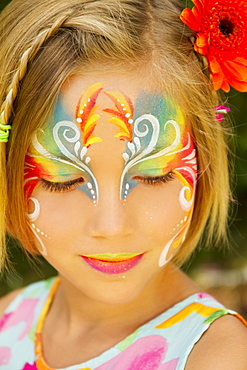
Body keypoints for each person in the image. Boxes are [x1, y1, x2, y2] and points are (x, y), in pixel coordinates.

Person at [0, 0, 247, 369]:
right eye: (62, 181)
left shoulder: (217, 358)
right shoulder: (8, 320)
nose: (112, 227)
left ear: (204, 163)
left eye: (155, 175)